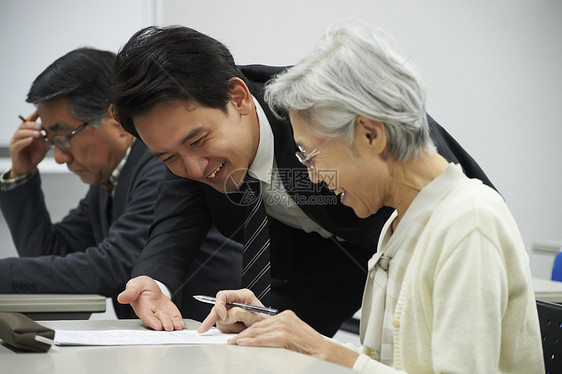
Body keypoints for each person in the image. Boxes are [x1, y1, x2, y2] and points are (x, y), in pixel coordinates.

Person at [197, 22, 544, 373]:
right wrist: (284, 333)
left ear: (369, 134)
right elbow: (389, 362)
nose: (314, 176)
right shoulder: (400, 224)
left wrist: (323, 350)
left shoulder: (469, 222)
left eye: (310, 154)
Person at [112, 25, 495, 335]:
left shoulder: (320, 109)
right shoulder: (190, 157)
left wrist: (470, 237)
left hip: (424, 254)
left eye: (198, 141)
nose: (195, 168)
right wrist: (154, 282)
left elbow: (429, 182)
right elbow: (176, 226)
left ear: (240, 98)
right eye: (169, 157)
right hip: (323, 272)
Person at [0, 48, 241, 320]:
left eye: (64, 137)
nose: (59, 157)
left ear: (116, 118)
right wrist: (21, 174)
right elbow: (48, 254)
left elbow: (116, 265)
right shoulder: (111, 179)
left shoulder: (162, 166)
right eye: (50, 140)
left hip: (212, 340)